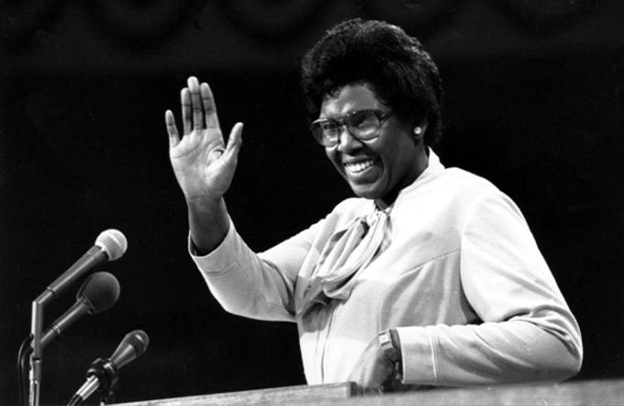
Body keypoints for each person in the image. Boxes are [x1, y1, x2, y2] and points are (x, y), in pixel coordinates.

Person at [164, 18, 582, 393]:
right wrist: (204, 201)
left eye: (363, 121)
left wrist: (401, 349)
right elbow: (249, 291)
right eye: (330, 127)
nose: (345, 145)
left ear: (416, 119)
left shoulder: (468, 203)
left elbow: (555, 342)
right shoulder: (345, 221)